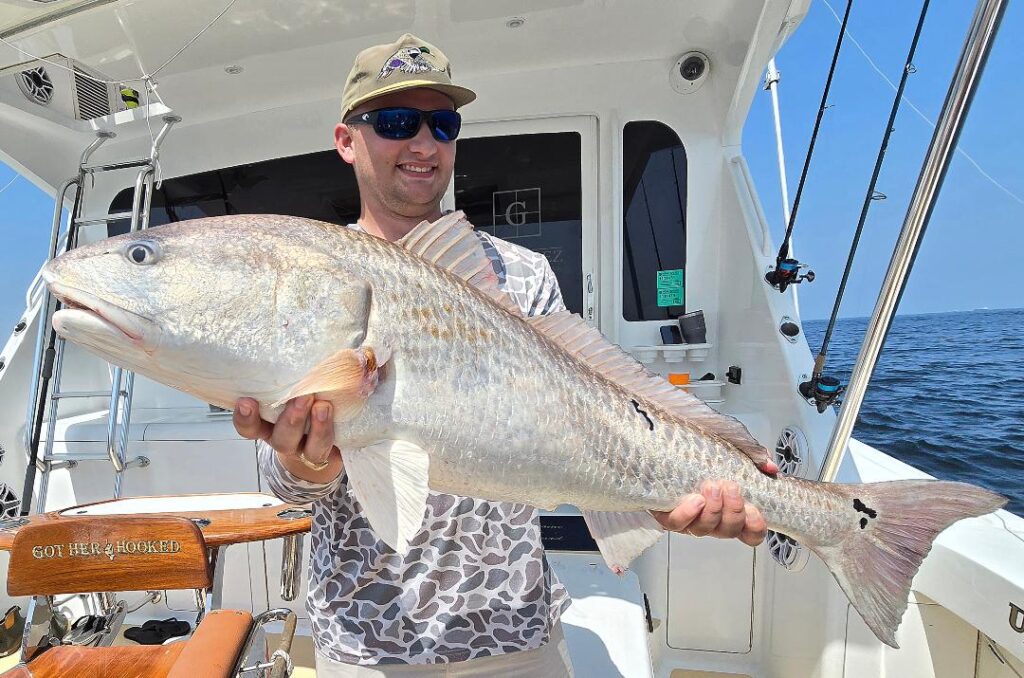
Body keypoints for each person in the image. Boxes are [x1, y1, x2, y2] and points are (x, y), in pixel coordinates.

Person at [233, 33, 771, 677]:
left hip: (515, 631)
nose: (424, 143)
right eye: (397, 121)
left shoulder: (523, 273)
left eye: (443, 123)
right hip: (368, 642)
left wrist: (659, 492)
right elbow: (289, 487)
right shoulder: (309, 275)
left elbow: (577, 434)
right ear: (347, 140)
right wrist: (309, 464)